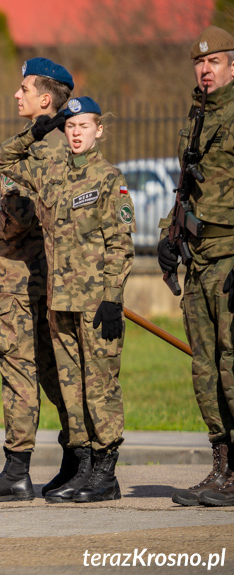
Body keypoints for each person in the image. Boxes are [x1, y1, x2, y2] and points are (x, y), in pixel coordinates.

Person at [0, 96, 135, 503]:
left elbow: (120, 244)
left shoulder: (109, 178)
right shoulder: (50, 172)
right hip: (60, 302)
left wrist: (112, 297)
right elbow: (2, 159)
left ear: (98, 130)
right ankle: (85, 467)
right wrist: (35, 130)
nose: (75, 133)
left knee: (100, 386)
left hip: (95, 304)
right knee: (72, 390)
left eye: (84, 126)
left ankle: (107, 474)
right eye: (69, 127)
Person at [0, 57, 73, 503]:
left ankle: (17, 471)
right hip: (47, 280)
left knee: (18, 373)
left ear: (45, 100)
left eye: (24, 89)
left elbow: (20, 217)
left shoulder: (35, 150)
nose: (16, 94)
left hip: (18, 280)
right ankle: (79, 460)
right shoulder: (62, 147)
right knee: (55, 374)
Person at [163, 25, 234, 507]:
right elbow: (188, 185)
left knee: (233, 365)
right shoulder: (196, 116)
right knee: (205, 368)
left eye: (215, 62)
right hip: (199, 260)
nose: (205, 70)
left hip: (230, 257)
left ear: (233, 66)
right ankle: (222, 468)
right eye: (199, 63)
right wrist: (170, 236)